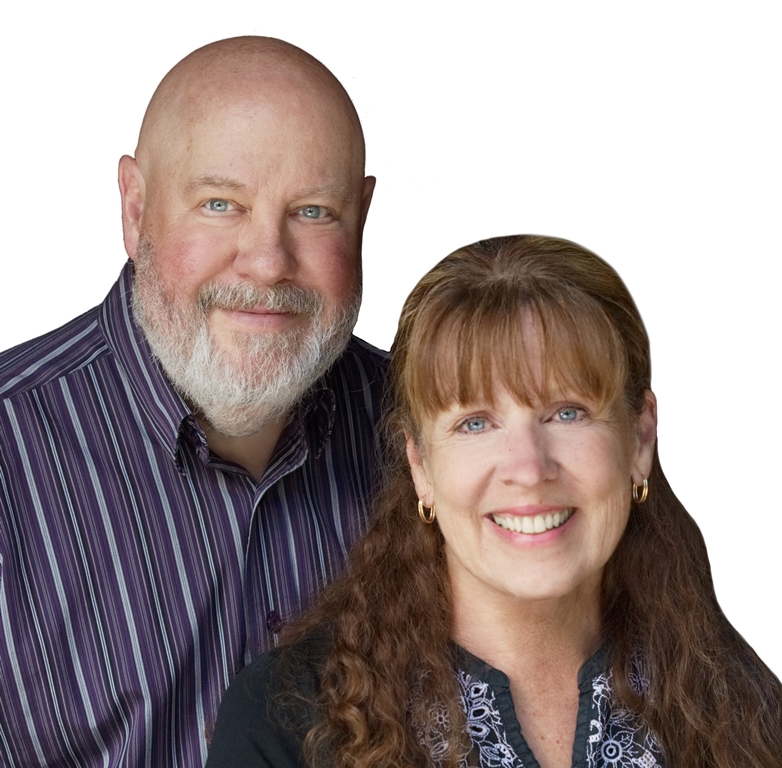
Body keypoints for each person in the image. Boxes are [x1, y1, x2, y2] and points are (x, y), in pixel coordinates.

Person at [207, 235, 782, 768]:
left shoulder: (743, 708)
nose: (529, 470)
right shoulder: (281, 723)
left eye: (568, 413)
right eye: (476, 423)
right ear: (420, 465)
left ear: (640, 438)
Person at [0, 37, 383, 767]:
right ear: (134, 207)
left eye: (312, 211)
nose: (267, 262)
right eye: (220, 204)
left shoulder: (440, 438)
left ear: (361, 216)